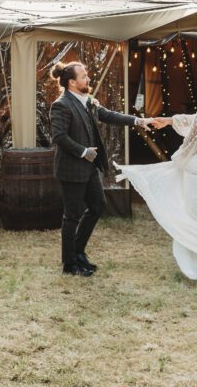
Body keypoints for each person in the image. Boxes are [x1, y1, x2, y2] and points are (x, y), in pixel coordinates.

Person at [115, 71, 197, 283]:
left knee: (196, 217)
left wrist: (176, 163)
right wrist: (169, 120)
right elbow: (194, 121)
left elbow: (189, 143)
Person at [50, 60, 154, 277]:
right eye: (84, 76)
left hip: (89, 168)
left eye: (87, 75)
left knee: (98, 206)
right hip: (71, 169)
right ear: (71, 82)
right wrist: (83, 151)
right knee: (71, 216)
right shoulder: (61, 104)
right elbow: (59, 136)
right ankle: (69, 264)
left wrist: (137, 121)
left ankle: (78, 252)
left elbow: (108, 115)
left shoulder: (87, 101)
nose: (88, 78)